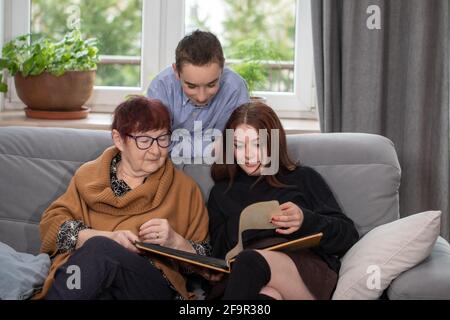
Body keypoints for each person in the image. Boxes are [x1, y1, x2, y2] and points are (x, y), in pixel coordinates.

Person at [36, 96, 210, 300]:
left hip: (149, 284)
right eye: (144, 141)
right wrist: (107, 238)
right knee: (99, 258)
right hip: (89, 277)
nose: (156, 150)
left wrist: (175, 241)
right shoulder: (88, 176)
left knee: (100, 250)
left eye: (163, 138)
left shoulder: (184, 188)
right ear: (118, 139)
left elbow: (205, 267)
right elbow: (52, 225)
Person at [206, 102, 360, 300]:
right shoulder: (221, 192)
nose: (248, 154)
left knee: (250, 261)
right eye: (238, 145)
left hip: (301, 273)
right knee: (266, 295)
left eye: (257, 144)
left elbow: (348, 236)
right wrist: (240, 225)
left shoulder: (303, 178)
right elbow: (219, 258)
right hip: (246, 278)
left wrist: (306, 221)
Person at [147, 30, 249, 159]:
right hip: (168, 166)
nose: (202, 97)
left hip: (220, 168)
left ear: (222, 68)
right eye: (191, 86)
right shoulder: (160, 87)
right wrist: (213, 147)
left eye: (211, 85)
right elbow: (156, 143)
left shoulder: (235, 88)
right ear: (176, 72)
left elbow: (236, 143)